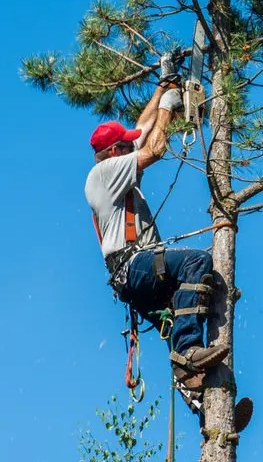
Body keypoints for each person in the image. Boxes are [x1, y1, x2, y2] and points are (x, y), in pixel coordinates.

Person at [84, 79, 228, 405]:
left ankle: (200, 399)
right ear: (114, 152)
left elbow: (141, 129)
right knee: (196, 262)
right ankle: (188, 351)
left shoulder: (112, 172)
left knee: (185, 308)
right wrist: (167, 108)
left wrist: (162, 88)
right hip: (133, 266)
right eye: (125, 146)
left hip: (131, 275)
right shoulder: (105, 173)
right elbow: (153, 149)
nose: (130, 148)